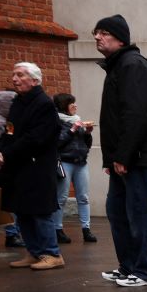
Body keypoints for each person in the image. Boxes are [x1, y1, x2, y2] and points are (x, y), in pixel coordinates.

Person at [94, 14, 147, 286]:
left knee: (140, 212)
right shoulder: (118, 66)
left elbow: (135, 115)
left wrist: (123, 156)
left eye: (103, 33)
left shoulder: (132, 65)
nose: (97, 38)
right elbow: (114, 119)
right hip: (126, 156)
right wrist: (110, 158)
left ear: (120, 37)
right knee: (118, 211)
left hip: (138, 155)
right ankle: (129, 267)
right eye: (96, 33)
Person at [0, 62, 64, 270]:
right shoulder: (19, 102)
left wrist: (7, 152)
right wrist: (1, 150)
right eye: (14, 75)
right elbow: (10, 131)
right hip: (19, 166)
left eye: (20, 75)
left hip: (37, 167)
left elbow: (35, 138)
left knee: (39, 211)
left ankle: (52, 253)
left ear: (34, 80)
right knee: (22, 210)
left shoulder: (43, 104)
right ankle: (34, 252)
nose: (15, 79)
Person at [52, 93, 97, 243]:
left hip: (81, 163)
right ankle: (58, 230)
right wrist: (72, 130)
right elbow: (57, 143)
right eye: (72, 103)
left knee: (83, 197)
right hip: (65, 162)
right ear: (64, 105)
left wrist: (88, 134)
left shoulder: (77, 120)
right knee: (62, 198)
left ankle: (86, 229)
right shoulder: (56, 121)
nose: (75, 106)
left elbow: (86, 145)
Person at [0, 89, 25, 249]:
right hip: (2, 168)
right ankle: (12, 234)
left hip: (7, 168)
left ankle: (13, 233)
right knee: (8, 201)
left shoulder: (9, 123)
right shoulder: (2, 123)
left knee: (10, 201)